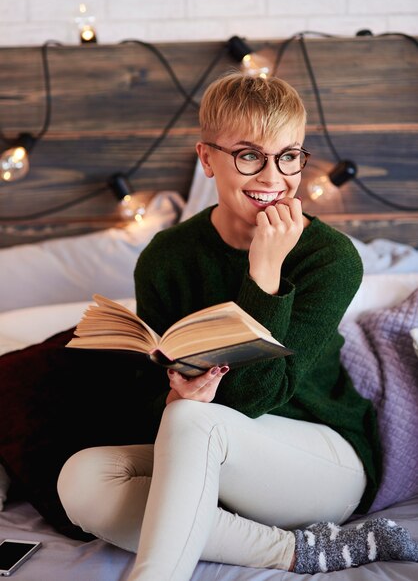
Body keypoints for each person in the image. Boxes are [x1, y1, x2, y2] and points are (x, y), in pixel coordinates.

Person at [57, 72, 418, 580]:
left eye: (289, 155)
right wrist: (173, 397)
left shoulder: (330, 257)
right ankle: (293, 552)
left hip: (324, 458)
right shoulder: (167, 256)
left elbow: (254, 399)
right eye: (249, 155)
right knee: (82, 478)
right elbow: (151, 402)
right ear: (207, 159)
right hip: (206, 450)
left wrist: (264, 274)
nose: (273, 177)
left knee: (192, 423)